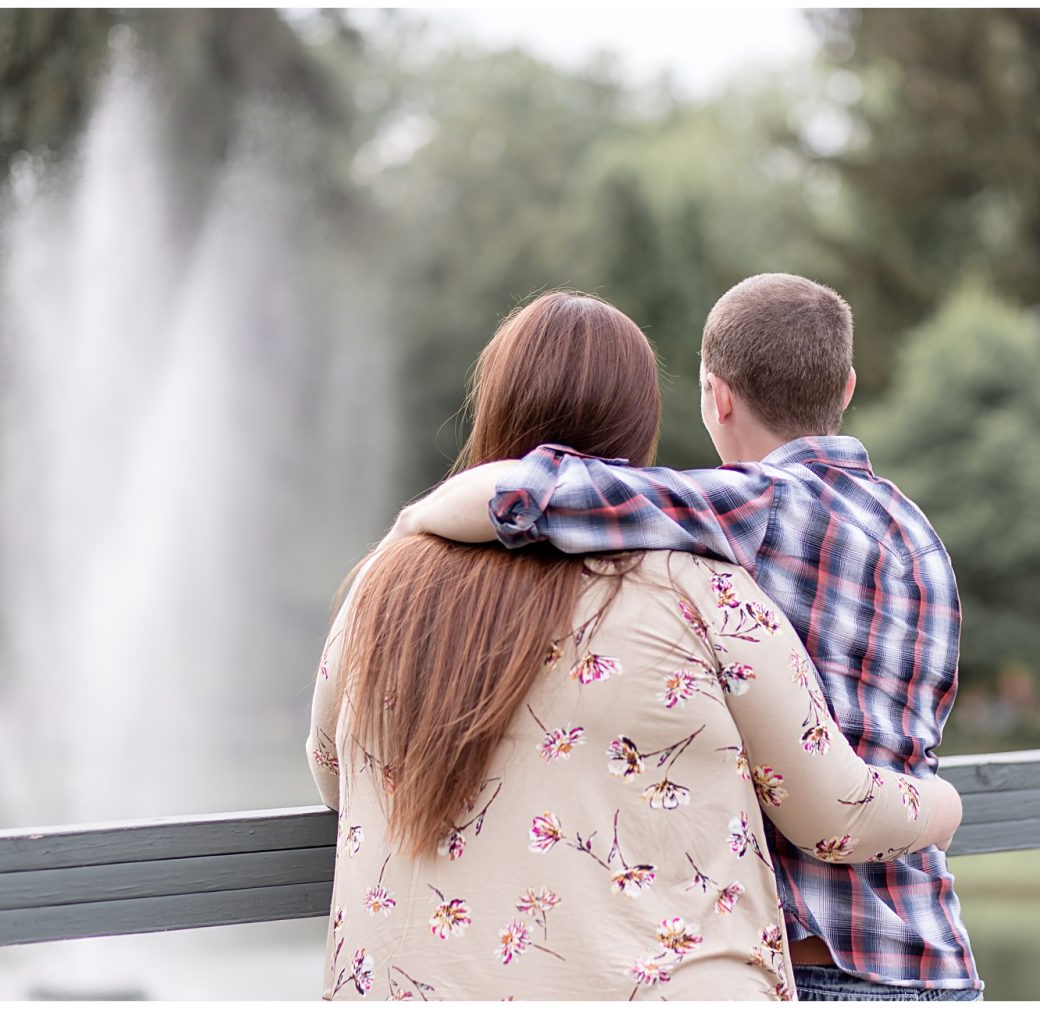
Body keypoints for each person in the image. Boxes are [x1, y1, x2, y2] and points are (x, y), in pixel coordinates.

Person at [308, 290, 963, 1001]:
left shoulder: (383, 582)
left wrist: (415, 523)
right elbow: (833, 808)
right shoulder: (708, 585)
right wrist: (946, 803)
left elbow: (334, 771)